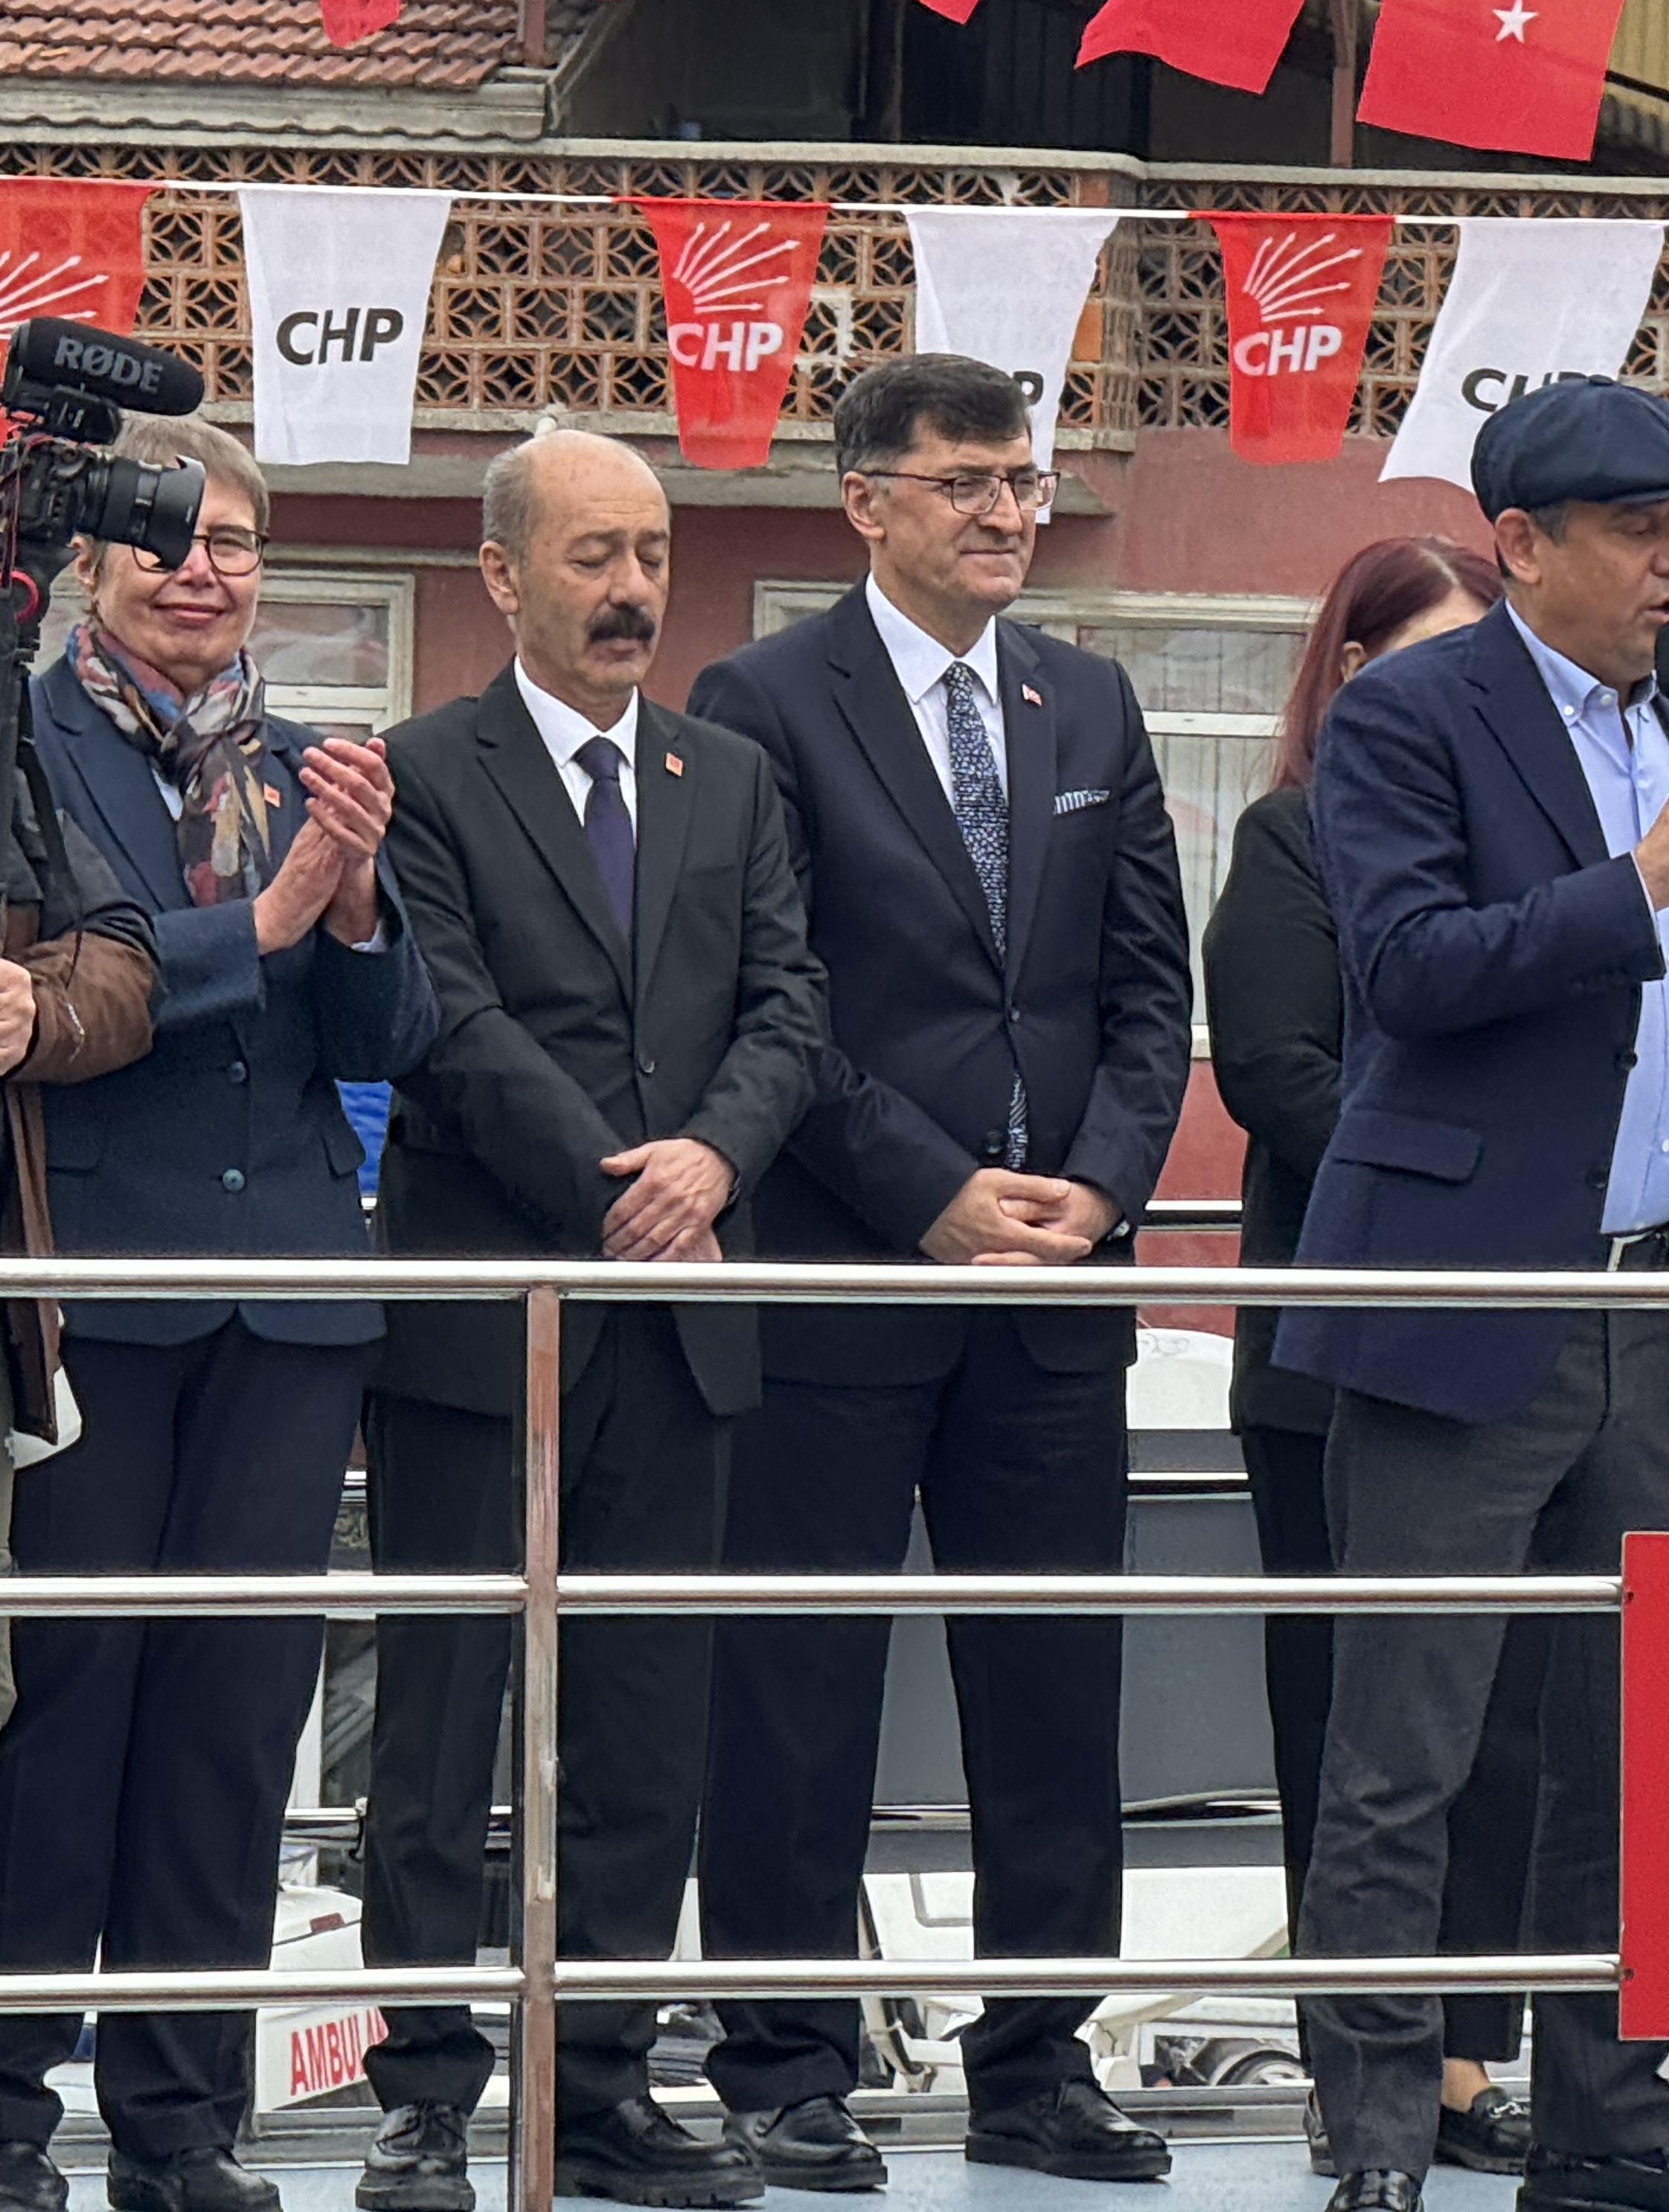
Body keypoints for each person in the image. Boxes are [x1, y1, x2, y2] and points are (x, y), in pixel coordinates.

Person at [1279, 378, 1669, 2212]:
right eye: (1641, 529)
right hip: (1466, 1295)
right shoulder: (1412, 714)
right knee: (1405, 1750)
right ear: (1521, 544)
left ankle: (1610, 2129)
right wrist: (1632, 882)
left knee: (1640, 1754)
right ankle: (1377, 2138)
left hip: (1660, 1310)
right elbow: (1409, 969)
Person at [690, 354, 1192, 2190]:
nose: (1005, 512)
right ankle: (784, 2065)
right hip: (844, 1275)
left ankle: (1040, 2065)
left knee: (1054, 1690)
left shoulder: (1089, 699)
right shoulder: (762, 702)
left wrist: (1101, 1190)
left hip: (1054, 1294)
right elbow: (769, 995)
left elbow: (1150, 987)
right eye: (966, 480)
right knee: (797, 1689)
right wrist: (930, 1194)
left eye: (1021, 480)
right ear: (867, 500)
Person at [353, 430, 825, 2212]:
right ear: (501, 576)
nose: (633, 589)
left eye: (653, 553)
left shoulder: (730, 776)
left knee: (643, 1722)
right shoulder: (420, 773)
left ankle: (601, 2087)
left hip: (684, 1323)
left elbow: (790, 1002)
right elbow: (447, 1022)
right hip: (489, 1322)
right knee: (438, 1723)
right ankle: (422, 2098)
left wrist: (711, 1161)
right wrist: (621, 1188)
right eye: (592, 557)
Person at [1202, 538, 1539, 2184]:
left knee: (1507, 1720)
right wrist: (1467, 1181)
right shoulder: (1294, 839)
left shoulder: (1525, 847)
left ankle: (1470, 2059)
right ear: (1352, 672)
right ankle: (1366, 2078)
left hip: (1515, 1348)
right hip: (1338, 1352)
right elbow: (1278, 1070)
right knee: (1355, 1729)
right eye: (1442, 658)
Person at [0, 428, 279, 2212]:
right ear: (90, 563)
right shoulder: (23, 737)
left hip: (290, 1305)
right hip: (90, 1292)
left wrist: (351, 920)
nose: (202, 569)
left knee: (229, 1738)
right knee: (59, 1711)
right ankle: (8, 2116)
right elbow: (71, 981)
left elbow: (392, 1028)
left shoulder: (312, 765)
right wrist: (270, 924)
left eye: (234, 541)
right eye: (168, 539)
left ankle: (184, 2130)